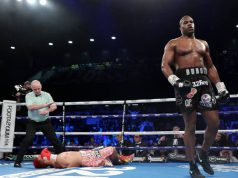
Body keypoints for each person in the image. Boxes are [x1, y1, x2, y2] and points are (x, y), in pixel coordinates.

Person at [161, 15, 230, 178]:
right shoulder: (173, 43)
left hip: (204, 83)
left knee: (214, 123)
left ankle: (204, 153)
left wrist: (220, 87)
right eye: (186, 22)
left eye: (191, 22)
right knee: (190, 126)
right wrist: (176, 82)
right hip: (185, 83)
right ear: (180, 27)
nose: (189, 24)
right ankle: (192, 166)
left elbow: (211, 66)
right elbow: (164, 65)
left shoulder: (203, 43)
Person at [14, 80, 64, 167]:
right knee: (27, 140)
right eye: (35, 89)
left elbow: (54, 106)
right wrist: (45, 105)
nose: (37, 90)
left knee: (55, 140)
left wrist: (48, 110)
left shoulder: (47, 94)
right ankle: (18, 161)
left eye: (38, 89)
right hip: (32, 122)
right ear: (32, 89)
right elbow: (30, 107)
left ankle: (61, 159)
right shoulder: (29, 95)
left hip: (45, 121)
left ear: (41, 87)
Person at [33, 147, 134, 168]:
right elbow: (70, 165)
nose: (42, 155)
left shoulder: (56, 161)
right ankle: (120, 162)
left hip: (85, 155)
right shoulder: (57, 162)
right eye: (41, 157)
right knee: (111, 149)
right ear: (44, 160)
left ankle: (123, 158)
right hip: (86, 158)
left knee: (107, 153)